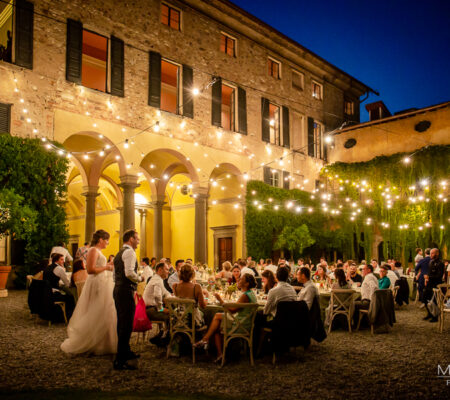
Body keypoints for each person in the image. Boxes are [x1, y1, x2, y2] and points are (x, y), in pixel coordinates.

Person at [61, 229, 115, 356]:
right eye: (106, 240)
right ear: (101, 240)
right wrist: (107, 267)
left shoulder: (99, 251)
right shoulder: (93, 250)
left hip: (103, 282)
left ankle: (104, 341)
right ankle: (92, 341)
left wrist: (108, 264)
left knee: (105, 311)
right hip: (96, 283)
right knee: (96, 311)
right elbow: (90, 270)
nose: (108, 242)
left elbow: (98, 267)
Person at [194, 273, 257, 363]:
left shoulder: (245, 295)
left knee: (217, 317)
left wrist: (220, 299)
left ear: (246, 284)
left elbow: (231, 310)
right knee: (217, 324)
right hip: (245, 323)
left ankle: (206, 340)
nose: (238, 280)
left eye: (241, 279)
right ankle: (218, 353)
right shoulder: (250, 293)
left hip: (240, 325)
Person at [113, 229, 143, 370]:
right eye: (137, 239)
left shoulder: (119, 253)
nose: (138, 241)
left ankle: (125, 351)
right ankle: (120, 359)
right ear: (131, 239)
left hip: (118, 289)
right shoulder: (130, 252)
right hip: (125, 290)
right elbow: (130, 272)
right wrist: (140, 278)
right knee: (126, 324)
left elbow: (115, 274)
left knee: (122, 322)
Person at [172, 263, 207, 327]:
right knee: (206, 315)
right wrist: (206, 297)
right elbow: (203, 306)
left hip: (179, 318)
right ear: (192, 274)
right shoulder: (196, 287)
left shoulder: (175, 286)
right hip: (193, 320)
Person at [143, 262, 171, 337]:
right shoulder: (157, 280)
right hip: (150, 310)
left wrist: (174, 296)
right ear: (160, 270)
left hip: (150, 309)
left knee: (171, 313)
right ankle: (165, 338)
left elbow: (165, 292)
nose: (169, 272)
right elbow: (157, 295)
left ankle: (162, 335)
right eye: (167, 269)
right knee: (172, 317)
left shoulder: (157, 278)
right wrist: (161, 309)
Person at [44, 253, 75, 319]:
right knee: (71, 297)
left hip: (45, 293)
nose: (63, 261)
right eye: (61, 260)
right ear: (56, 260)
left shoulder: (47, 267)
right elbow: (67, 283)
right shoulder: (59, 269)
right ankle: (69, 316)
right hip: (53, 295)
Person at [423, 248, 445, 322]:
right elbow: (429, 272)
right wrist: (426, 279)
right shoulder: (431, 262)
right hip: (429, 284)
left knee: (434, 301)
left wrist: (429, 277)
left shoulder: (440, 263)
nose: (431, 255)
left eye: (432, 253)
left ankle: (435, 316)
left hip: (436, 284)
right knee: (425, 298)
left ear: (437, 254)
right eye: (430, 253)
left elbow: (439, 275)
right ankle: (429, 313)